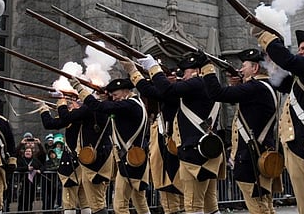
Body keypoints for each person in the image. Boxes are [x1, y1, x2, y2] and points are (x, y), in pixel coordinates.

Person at [251, 28, 304, 213]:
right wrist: (271, 62)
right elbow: (283, 83)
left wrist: (264, 35)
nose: (300, 52)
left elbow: (289, 61)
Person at [135, 52, 225, 214]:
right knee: (210, 205)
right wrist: (136, 74)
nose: (183, 77)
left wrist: (153, 68)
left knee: (193, 206)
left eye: (186, 72)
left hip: (195, 155)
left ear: (196, 70)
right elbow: (157, 92)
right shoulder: (206, 86)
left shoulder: (197, 84)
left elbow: (167, 91)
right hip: (206, 151)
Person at [199, 48, 282, 213]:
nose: (240, 70)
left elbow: (217, 93)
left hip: (250, 157)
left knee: (258, 207)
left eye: (244, 66)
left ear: (255, 68)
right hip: (262, 152)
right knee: (266, 205)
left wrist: (207, 67)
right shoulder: (267, 86)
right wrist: (239, 85)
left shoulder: (255, 88)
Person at [70, 78, 151, 214]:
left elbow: (100, 107)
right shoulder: (136, 103)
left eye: (115, 95)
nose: (114, 99)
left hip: (129, 161)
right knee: (140, 203)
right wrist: (104, 97)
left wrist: (80, 89)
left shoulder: (129, 105)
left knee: (120, 206)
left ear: (126, 91)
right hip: (136, 160)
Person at [120, 59, 185, 214]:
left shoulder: (176, 94)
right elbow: (151, 91)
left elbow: (148, 91)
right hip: (175, 147)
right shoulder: (185, 92)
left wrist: (133, 71)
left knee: (172, 199)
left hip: (170, 150)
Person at [50, 89, 114, 214]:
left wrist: (61, 103)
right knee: (92, 202)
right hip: (98, 162)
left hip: (91, 163)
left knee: (95, 204)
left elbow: (62, 119)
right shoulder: (103, 109)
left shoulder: (88, 111)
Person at [40, 98, 90, 214]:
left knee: (69, 200)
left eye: (73, 102)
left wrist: (44, 109)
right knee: (85, 200)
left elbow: (49, 123)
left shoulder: (73, 117)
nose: (70, 104)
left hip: (72, 163)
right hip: (87, 162)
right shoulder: (91, 115)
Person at [16, 147, 43, 212]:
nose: (28, 152)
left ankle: (29, 211)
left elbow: (42, 166)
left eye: (29, 151)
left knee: (30, 199)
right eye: (26, 151)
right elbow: (17, 168)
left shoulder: (35, 160)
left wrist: (40, 170)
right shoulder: (21, 160)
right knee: (22, 199)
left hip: (32, 183)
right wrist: (26, 168)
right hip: (23, 183)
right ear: (24, 153)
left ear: (32, 153)